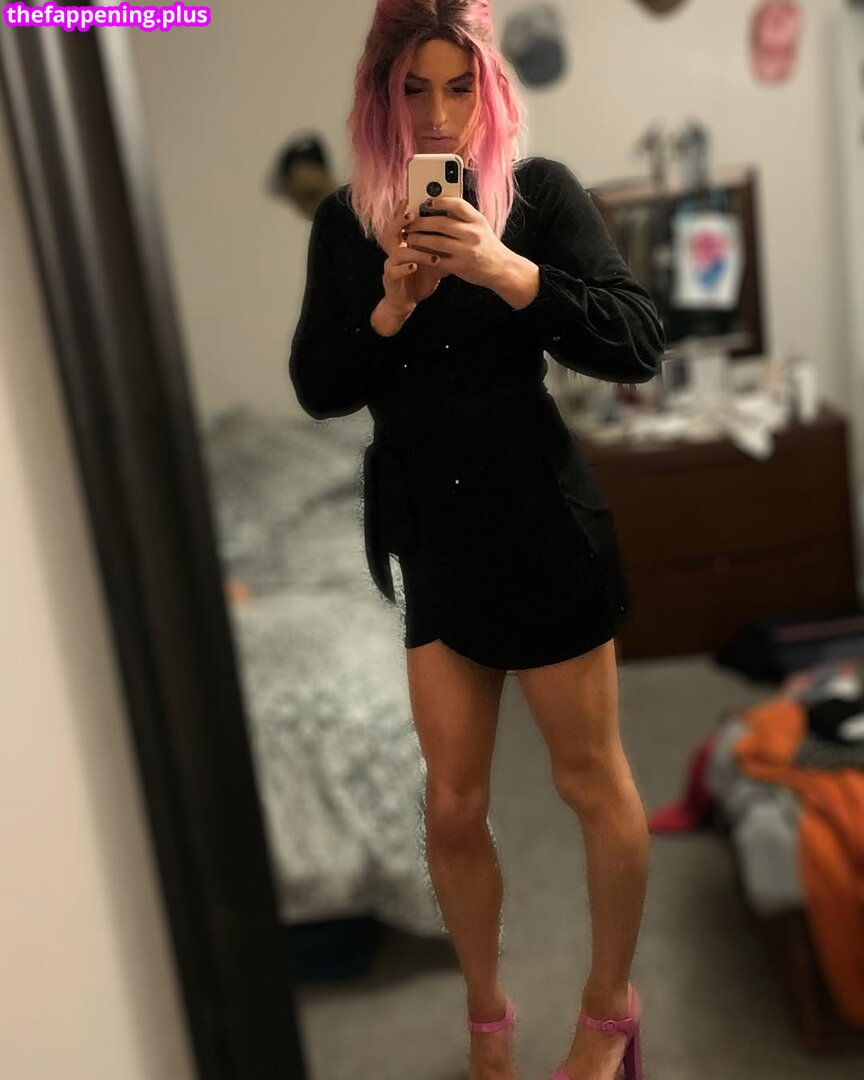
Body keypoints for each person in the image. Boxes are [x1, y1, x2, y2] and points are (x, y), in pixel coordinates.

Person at [288, 4, 665, 1079]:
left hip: (542, 526)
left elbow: (639, 341)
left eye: (460, 86)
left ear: (491, 88)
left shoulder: (537, 196)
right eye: (415, 88)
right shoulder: (347, 227)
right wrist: (389, 310)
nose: (439, 114)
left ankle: (611, 1010)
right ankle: (487, 1018)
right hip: (435, 541)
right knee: (452, 807)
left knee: (589, 781)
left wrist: (510, 272)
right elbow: (319, 386)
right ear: (381, 94)